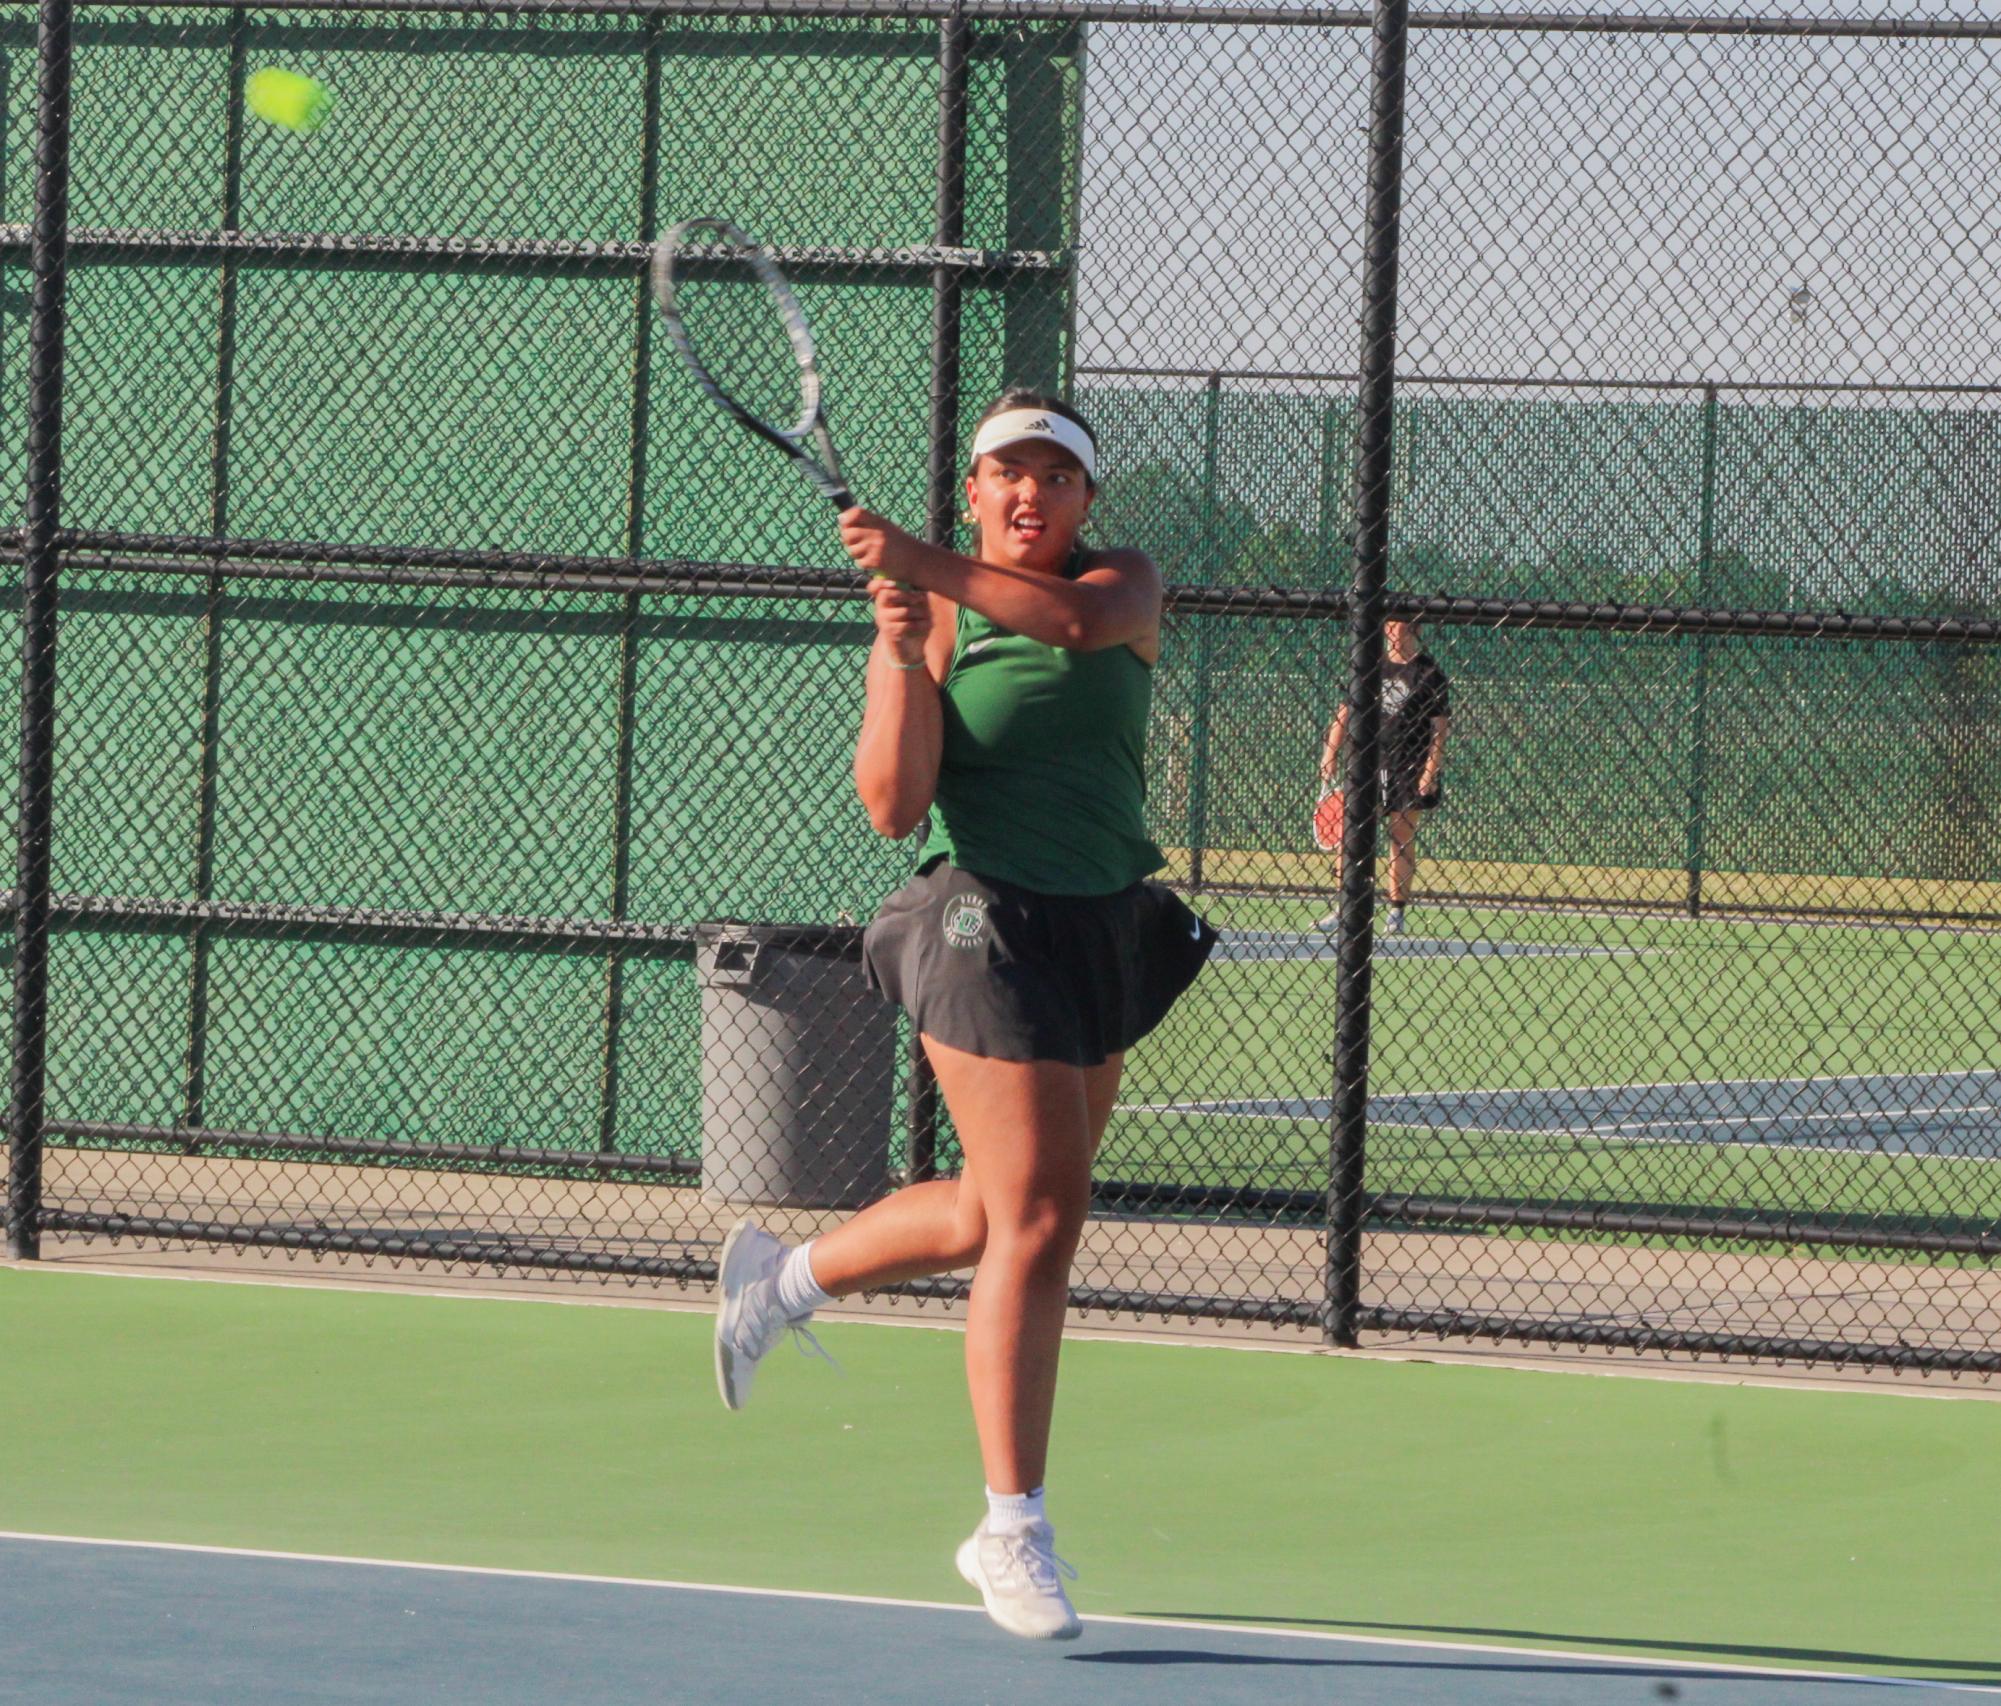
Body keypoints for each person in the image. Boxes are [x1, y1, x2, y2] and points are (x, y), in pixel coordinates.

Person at [710, 392, 1215, 1641]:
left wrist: (922, 565)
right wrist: (897, 644)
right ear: (975, 488)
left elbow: (1078, 622)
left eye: (1055, 474)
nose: (1031, 492)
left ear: (1088, 498)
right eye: (1008, 472)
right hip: (982, 920)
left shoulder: (1123, 584)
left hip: (1101, 924)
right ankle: (1011, 1524)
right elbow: (893, 802)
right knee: (1041, 1216)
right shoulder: (934, 613)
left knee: (999, 1211)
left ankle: (784, 1277)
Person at [1315, 617, 1450, 936]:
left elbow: (1440, 731)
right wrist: (1329, 754)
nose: (1392, 631)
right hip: (1367, 765)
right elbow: (1343, 714)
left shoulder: (1430, 673)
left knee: (1400, 837)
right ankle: (1346, 909)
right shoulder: (1370, 664)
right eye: (1387, 625)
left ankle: (1396, 913)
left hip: (1410, 766)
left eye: (1399, 625)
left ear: (1415, 629)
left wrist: (1430, 771)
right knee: (1350, 838)